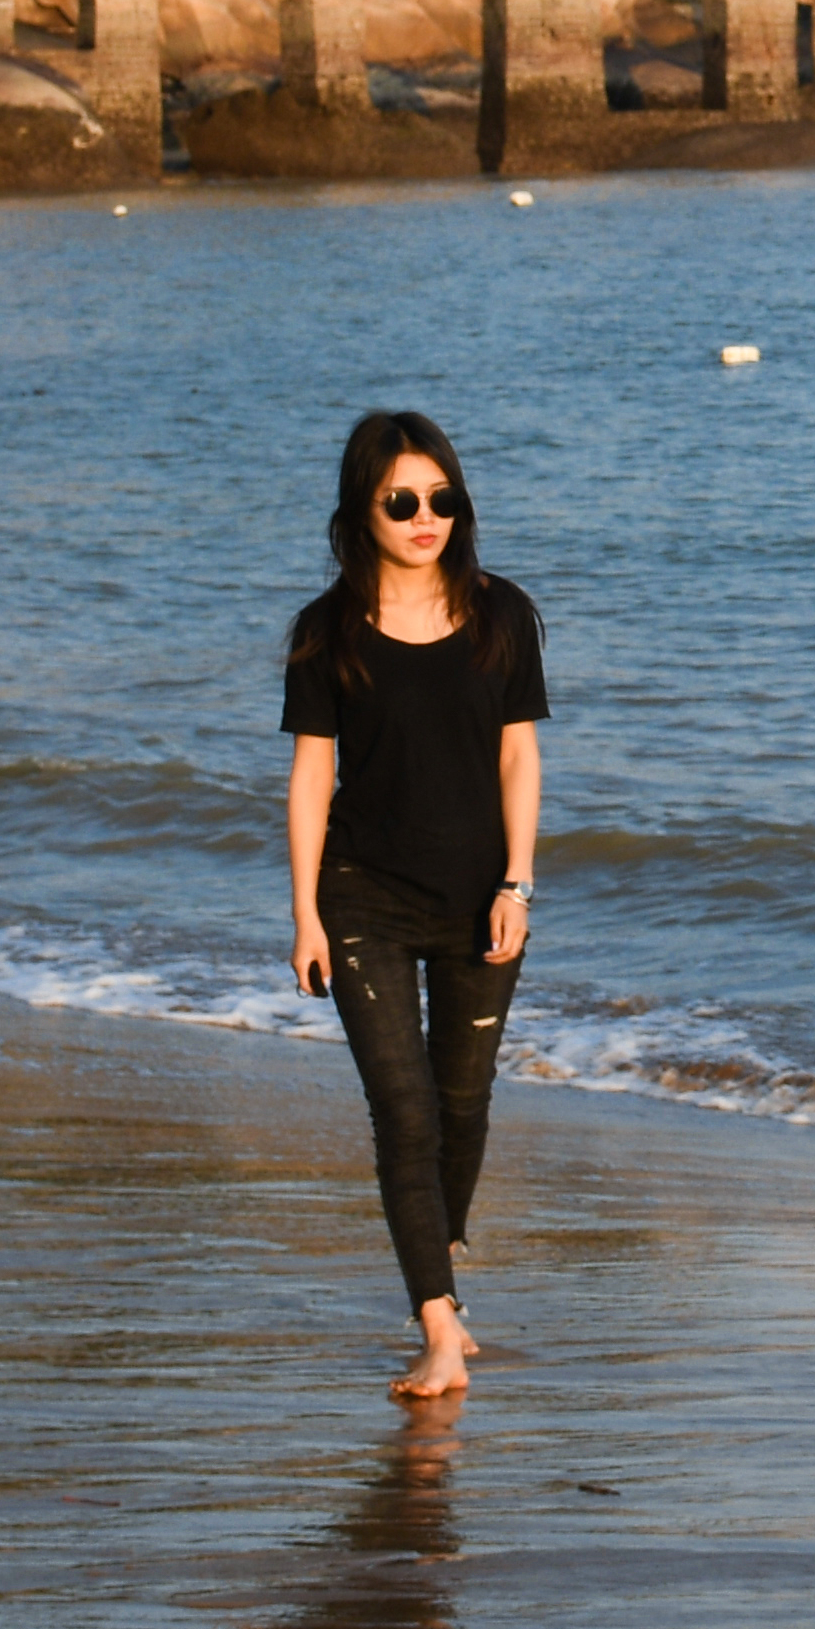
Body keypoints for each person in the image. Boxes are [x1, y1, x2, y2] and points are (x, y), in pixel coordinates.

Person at [278, 406, 545, 1400]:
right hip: (362, 898)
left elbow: (520, 753)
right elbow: (311, 780)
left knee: (461, 1105)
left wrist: (518, 881)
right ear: (363, 511)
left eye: (442, 497)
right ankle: (438, 1324)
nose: (425, 515)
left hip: (481, 897)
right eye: (402, 500)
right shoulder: (328, 632)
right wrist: (305, 912)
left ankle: (441, 1279)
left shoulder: (502, 614)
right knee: (402, 1110)